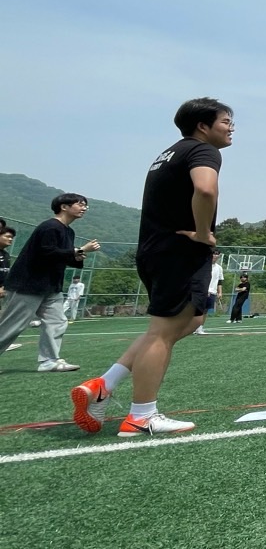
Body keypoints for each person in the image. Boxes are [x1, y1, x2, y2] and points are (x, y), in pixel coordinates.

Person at [71, 97, 233, 437]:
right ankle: (141, 416)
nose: (231, 128)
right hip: (180, 251)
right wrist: (203, 233)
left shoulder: (169, 153)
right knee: (163, 332)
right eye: (225, 121)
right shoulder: (203, 150)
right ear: (203, 126)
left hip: (156, 250)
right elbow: (206, 189)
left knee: (190, 320)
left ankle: (104, 384)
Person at [0, 193, 101, 370]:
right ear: (64, 207)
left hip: (51, 286)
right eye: (80, 204)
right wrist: (78, 250)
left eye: (85, 205)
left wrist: (77, 255)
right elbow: (47, 252)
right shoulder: (50, 227)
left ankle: (49, 361)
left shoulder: (68, 231)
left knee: (57, 321)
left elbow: (62, 256)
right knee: (13, 324)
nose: (84, 208)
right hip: (29, 284)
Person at [194, 249, 223, 335]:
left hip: (212, 292)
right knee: (196, 310)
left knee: (205, 311)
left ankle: (200, 328)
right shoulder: (204, 265)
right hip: (202, 291)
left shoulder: (219, 268)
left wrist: (220, 292)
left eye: (217, 254)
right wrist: (204, 289)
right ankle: (192, 327)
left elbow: (220, 281)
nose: (215, 255)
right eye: (213, 253)